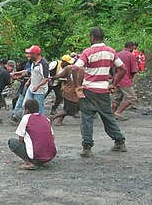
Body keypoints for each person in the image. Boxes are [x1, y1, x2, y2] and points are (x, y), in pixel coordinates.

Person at [73, 27, 128, 158]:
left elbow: (75, 68)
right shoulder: (111, 51)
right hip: (103, 90)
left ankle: (87, 147)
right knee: (107, 116)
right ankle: (119, 141)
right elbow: (123, 69)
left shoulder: (88, 52)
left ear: (92, 37)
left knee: (87, 118)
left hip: (88, 90)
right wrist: (113, 84)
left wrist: (77, 87)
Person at [8, 99, 57, 170]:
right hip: (50, 156)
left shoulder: (26, 118)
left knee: (12, 142)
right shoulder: (46, 119)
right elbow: (52, 137)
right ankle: (40, 159)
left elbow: (20, 138)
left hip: (35, 155)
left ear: (26, 110)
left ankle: (30, 162)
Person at [111, 41, 138, 121]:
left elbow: (111, 67)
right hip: (125, 80)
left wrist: (114, 77)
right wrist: (131, 77)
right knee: (132, 98)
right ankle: (118, 112)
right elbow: (134, 70)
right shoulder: (131, 56)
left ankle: (111, 114)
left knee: (117, 98)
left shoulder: (117, 54)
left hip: (116, 80)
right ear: (131, 47)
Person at [49, 55, 79, 126]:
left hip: (67, 90)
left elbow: (59, 75)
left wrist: (53, 78)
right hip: (72, 92)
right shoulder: (81, 70)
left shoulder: (69, 68)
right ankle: (53, 117)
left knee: (66, 107)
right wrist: (50, 78)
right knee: (70, 110)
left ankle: (60, 121)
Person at [23, 45, 49, 115]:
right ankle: (27, 120)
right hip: (32, 87)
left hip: (40, 90)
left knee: (39, 108)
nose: (28, 55)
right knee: (25, 105)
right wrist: (28, 81)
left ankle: (40, 123)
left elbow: (46, 78)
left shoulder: (44, 64)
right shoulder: (33, 62)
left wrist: (38, 86)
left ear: (35, 54)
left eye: (30, 54)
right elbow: (33, 73)